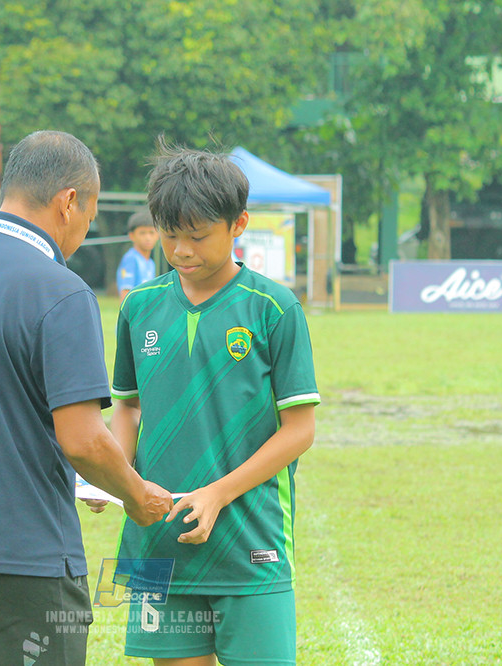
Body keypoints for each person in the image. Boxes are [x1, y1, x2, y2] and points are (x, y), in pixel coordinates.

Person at [0, 130, 173, 665]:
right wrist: (137, 496)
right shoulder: (58, 289)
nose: (84, 232)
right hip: (22, 554)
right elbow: (84, 442)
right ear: (69, 202)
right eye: (89, 216)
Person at [109, 145, 319, 665]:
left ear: (238, 223)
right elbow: (128, 410)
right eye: (169, 233)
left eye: (197, 235)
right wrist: (112, 477)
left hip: (251, 539)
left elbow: (299, 429)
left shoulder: (273, 308)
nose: (180, 249)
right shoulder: (138, 308)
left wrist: (218, 493)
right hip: (158, 542)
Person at [116, 208, 159, 300]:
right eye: (142, 233)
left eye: (151, 233)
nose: (148, 238)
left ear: (158, 235)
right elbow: (125, 292)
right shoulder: (131, 259)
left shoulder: (151, 263)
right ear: (132, 236)